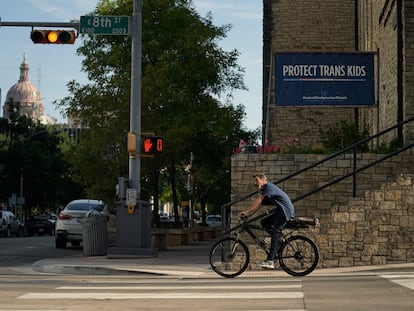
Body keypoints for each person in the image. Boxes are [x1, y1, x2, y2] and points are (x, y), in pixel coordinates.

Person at [239, 174, 295, 269]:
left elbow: (259, 200)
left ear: (263, 179)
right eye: (254, 181)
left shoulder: (268, 187)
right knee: (264, 223)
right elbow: (261, 205)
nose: (255, 183)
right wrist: (250, 215)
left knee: (275, 233)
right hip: (281, 211)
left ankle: (270, 261)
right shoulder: (267, 190)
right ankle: (280, 240)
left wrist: (246, 211)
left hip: (285, 211)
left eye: (256, 180)